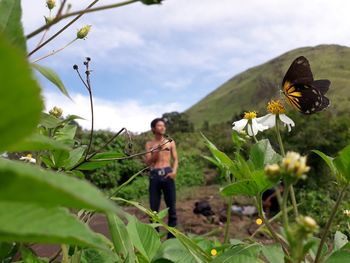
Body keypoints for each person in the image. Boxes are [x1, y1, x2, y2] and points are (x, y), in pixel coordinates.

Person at [145, 118, 178, 238]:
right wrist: (157, 151)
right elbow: (148, 162)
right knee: (153, 210)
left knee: (172, 208)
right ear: (153, 128)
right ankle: (155, 238)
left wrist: (174, 172)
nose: (162, 127)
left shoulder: (170, 142)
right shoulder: (149, 144)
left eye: (163, 125)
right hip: (154, 176)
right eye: (159, 126)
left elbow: (176, 159)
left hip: (168, 174)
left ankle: (172, 238)